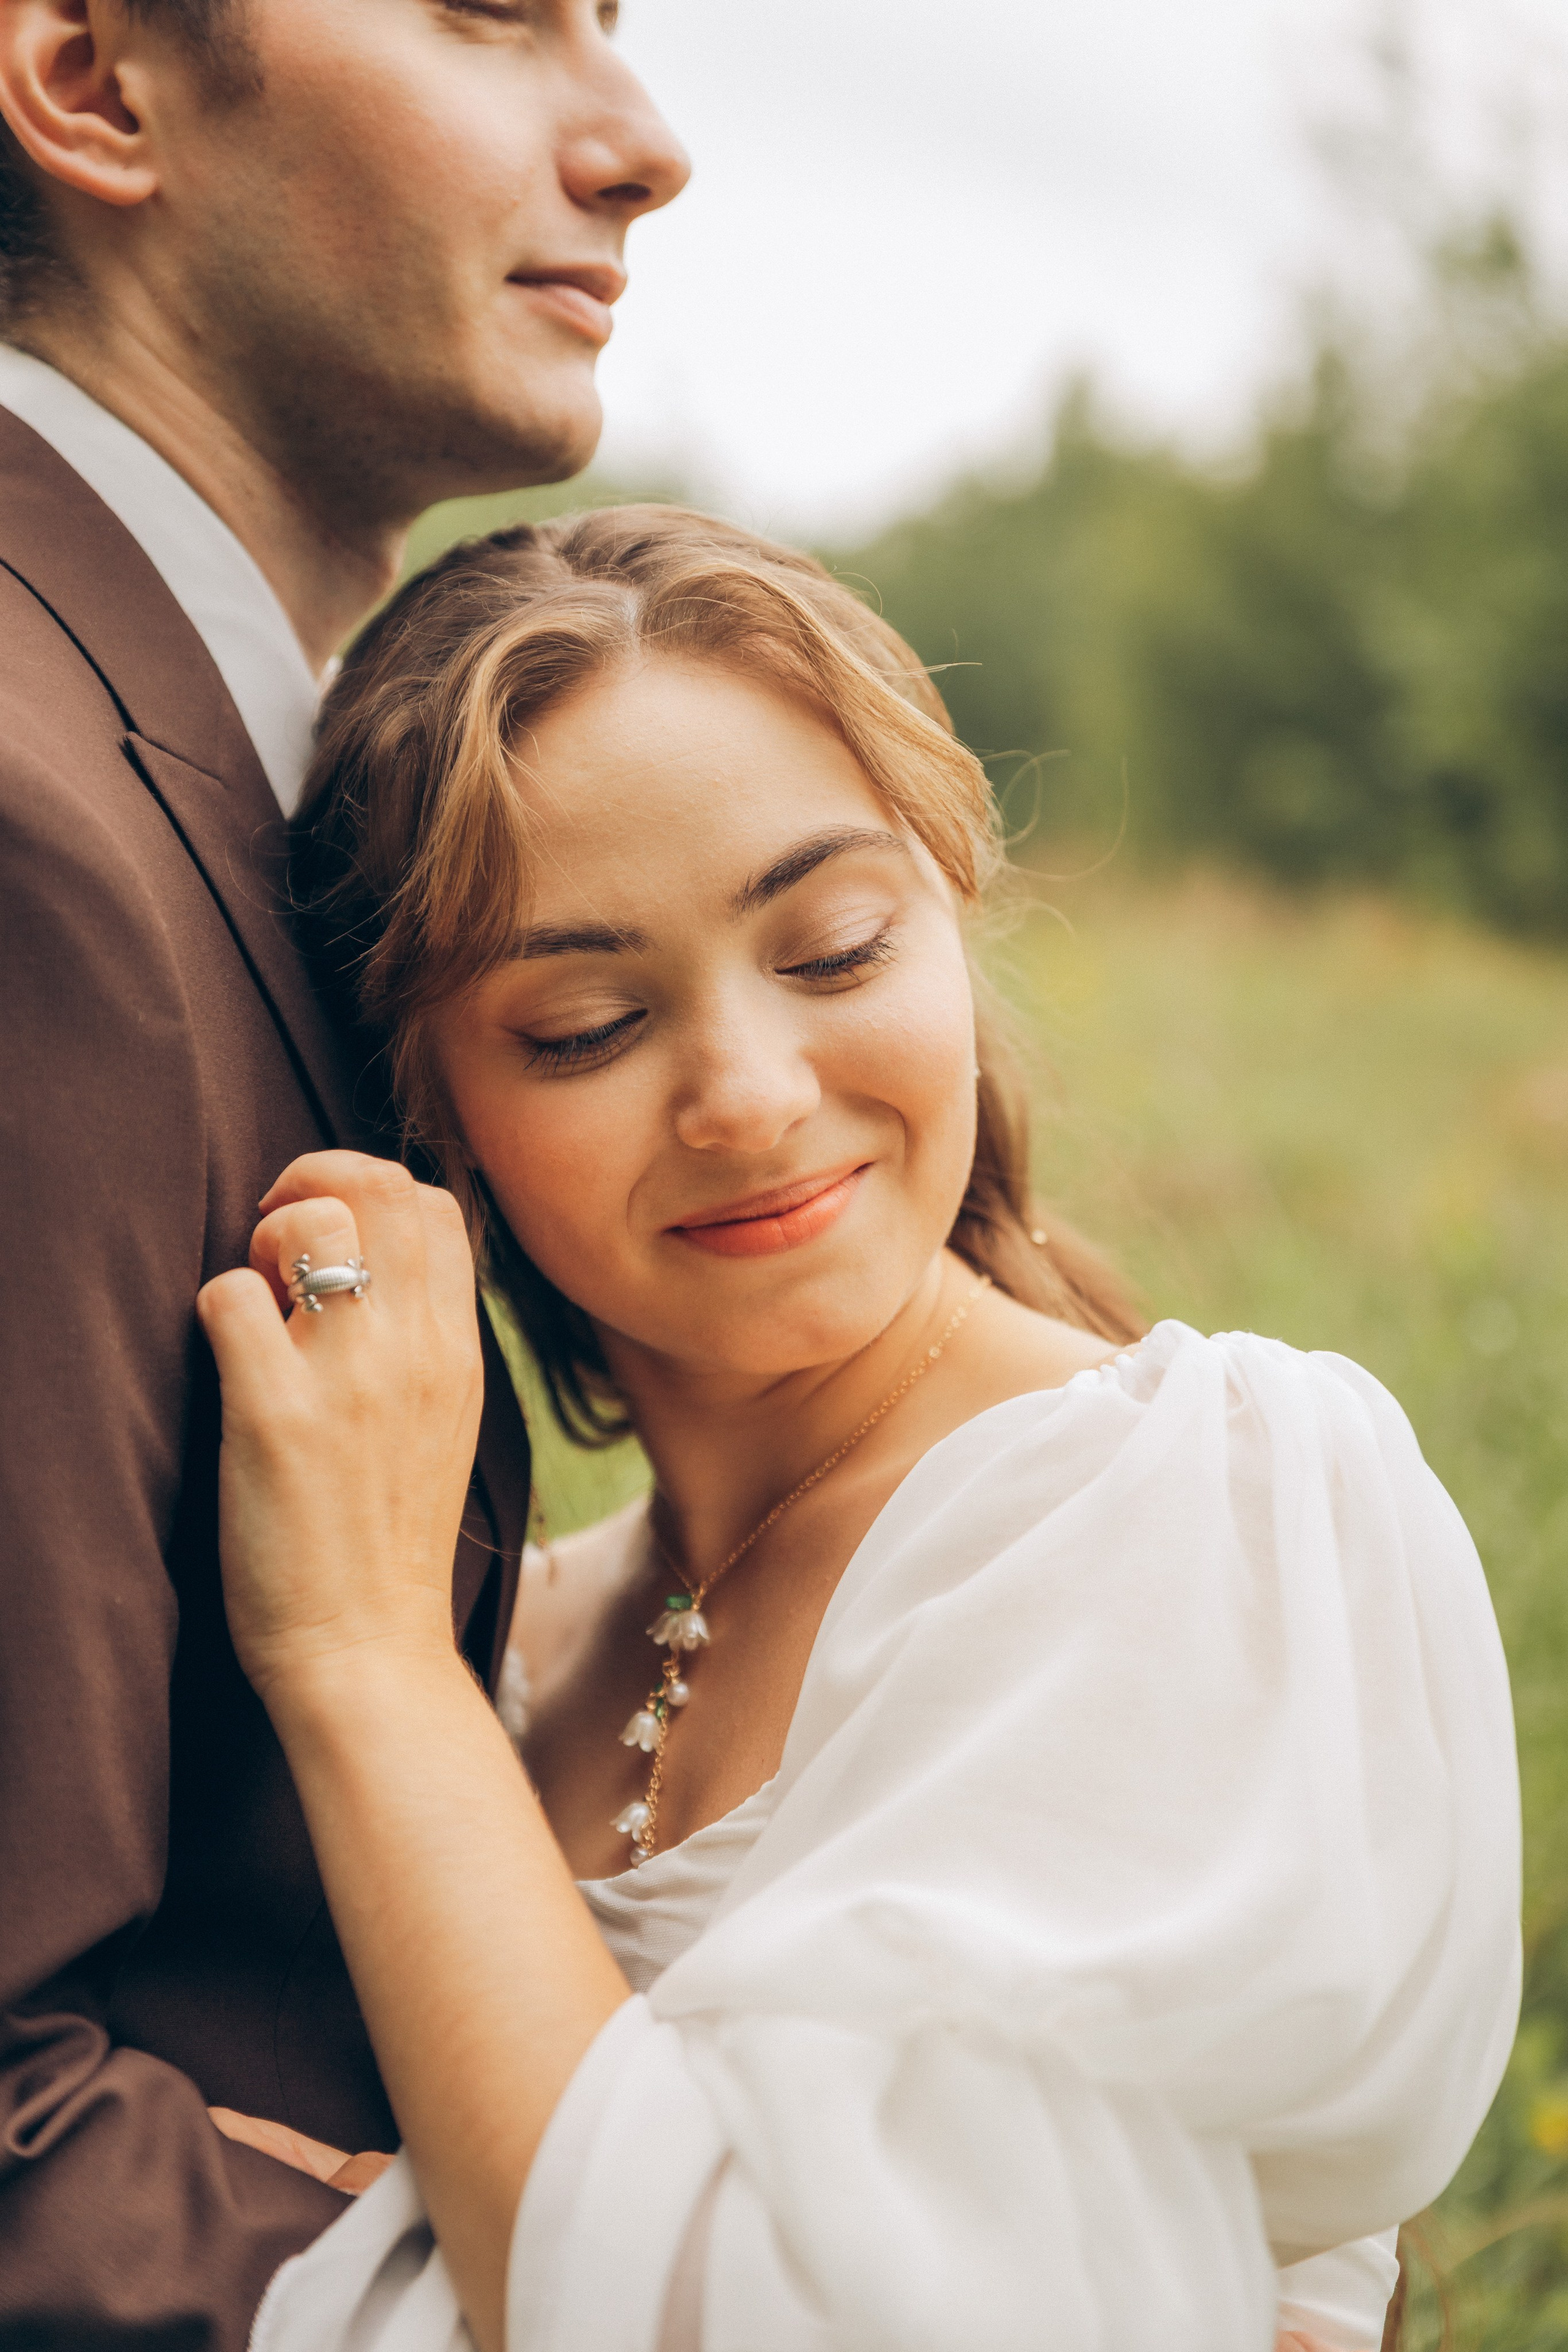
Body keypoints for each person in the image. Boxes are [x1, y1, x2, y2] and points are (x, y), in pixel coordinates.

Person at [194, 509, 1522, 2352]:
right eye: (585, 1024)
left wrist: (357, 1664)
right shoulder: (531, 1631)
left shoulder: (1191, 1509)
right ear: (434, 1118)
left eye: (831, 949)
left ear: (953, 915)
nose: (748, 1096)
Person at [0, 2, 687, 2340]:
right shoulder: (25, 845)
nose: (642, 145)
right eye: (498, 13)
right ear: (93, 76)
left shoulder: (197, 782)